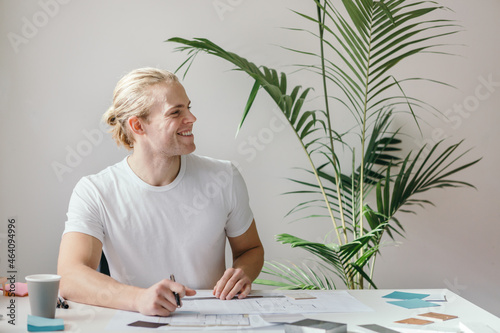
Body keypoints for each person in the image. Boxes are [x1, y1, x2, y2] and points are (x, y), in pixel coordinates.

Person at [57, 67, 264, 317]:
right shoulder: (95, 191)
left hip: (211, 320)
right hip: (135, 321)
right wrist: (139, 299)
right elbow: (70, 276)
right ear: (138, 125)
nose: (191, 118)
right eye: (176, 112)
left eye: (188, 107)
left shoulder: (224, 177)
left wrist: (244, 272)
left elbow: (250, 250)